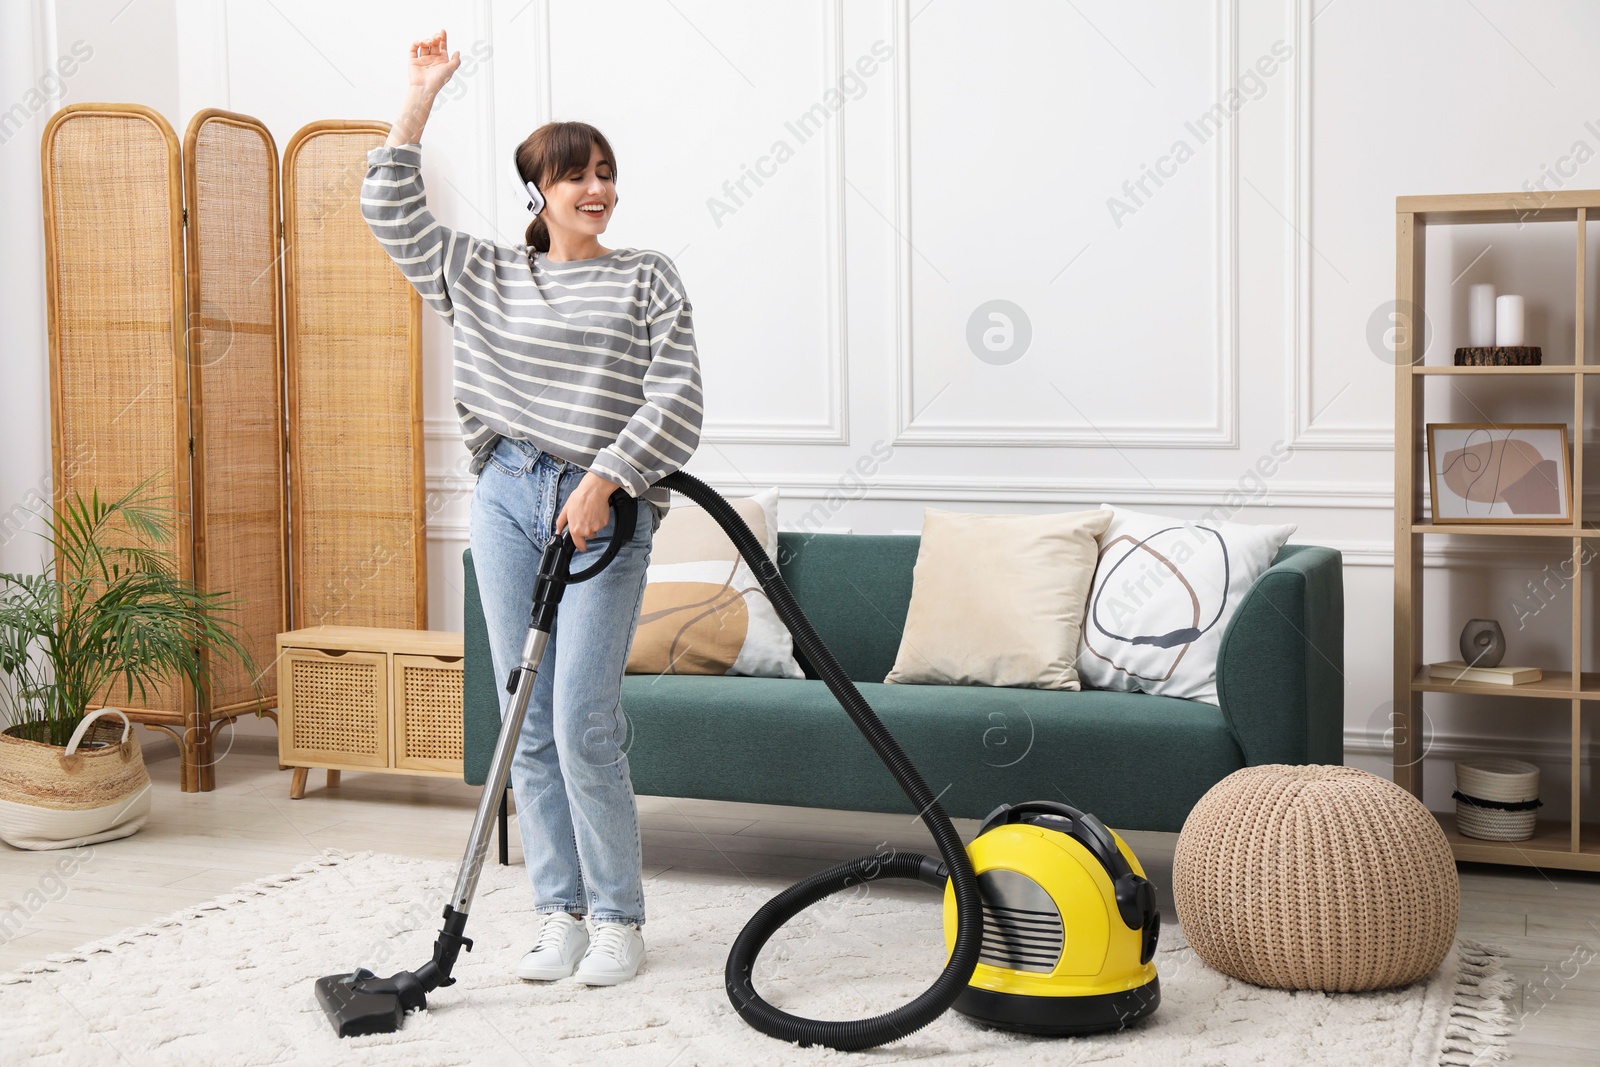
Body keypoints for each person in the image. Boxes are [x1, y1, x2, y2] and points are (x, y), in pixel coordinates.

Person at [360, 28, 703, 988]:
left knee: (583, 719)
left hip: (603, 508)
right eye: (576, 176)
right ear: (538, 193)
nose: (597, 189)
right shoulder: (482, 272)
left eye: (606, 173)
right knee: (526, 716)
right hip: (507, 497)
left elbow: (678, 397)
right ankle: (559, 912)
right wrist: (422, 92)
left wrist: (608, 477)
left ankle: (620, 918)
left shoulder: (647, 276)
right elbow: (386, 206)